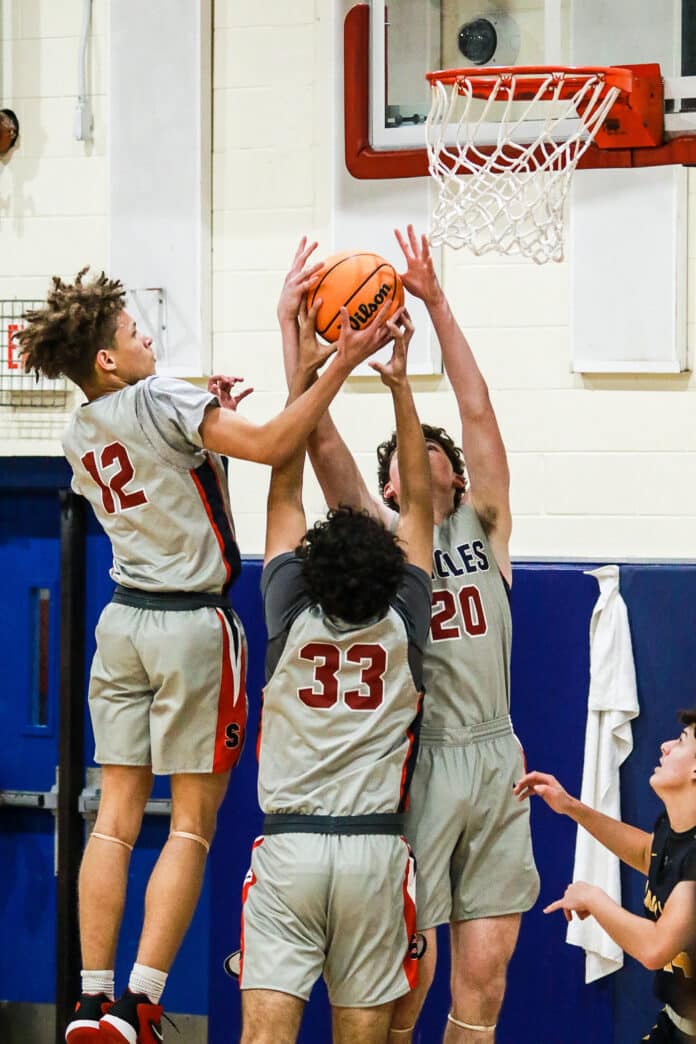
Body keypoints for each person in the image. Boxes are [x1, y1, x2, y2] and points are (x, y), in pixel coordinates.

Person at [18, 259, 392, 1044]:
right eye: (131, 330)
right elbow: (273, 444)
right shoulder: (163, 398)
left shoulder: (77, 428)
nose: (146, 333)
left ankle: (91, 1001)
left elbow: (168, 467)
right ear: (108, 360)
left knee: (114, 820)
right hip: (193, 626)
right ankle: (142, 1005)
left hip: (122, 626)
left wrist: (201, 421)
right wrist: (343, 362)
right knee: (190, 824)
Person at [280, 229, 539, 1042]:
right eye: (406, 458)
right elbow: (315, 437)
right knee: (404, 974)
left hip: (497, 754)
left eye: (437, 455)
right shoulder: (392, 539)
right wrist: (307, 343)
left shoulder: (487, 523)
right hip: (418, 758)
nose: (424, 462)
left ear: (456, 475)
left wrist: (434, 301)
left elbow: (476, 408)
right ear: (389, 485)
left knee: (485, 979)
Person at [238, 293, 434, 1044]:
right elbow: (417, 504)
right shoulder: (407, 618)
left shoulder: (288, 612)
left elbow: (283, 485)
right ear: (393, 570)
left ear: (312, 568)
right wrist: (400, 386)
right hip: (375, 849)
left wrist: (305, 379)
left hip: (290, 846)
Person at [515, 711, 696, 1044]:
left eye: (682, 740)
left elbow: (656, 946)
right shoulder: (674, 829)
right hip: (674, 1026)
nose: (666, 746)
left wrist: (592, 898)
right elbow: (645, 854)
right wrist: (570, 806)